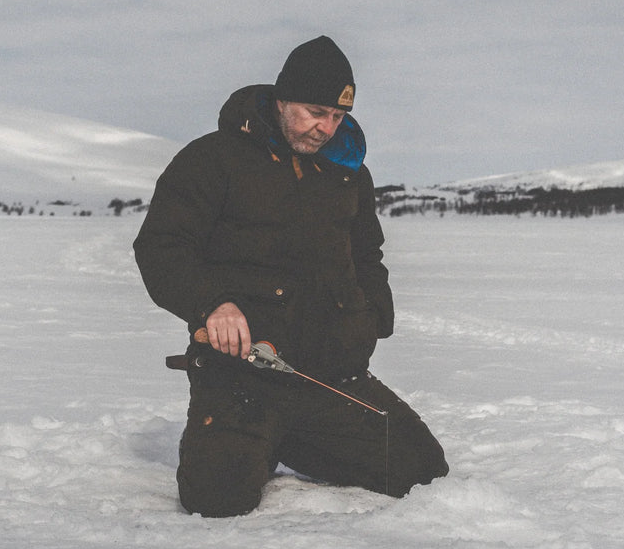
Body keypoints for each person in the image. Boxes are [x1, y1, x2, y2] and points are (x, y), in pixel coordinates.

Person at [133, 35, 448, 517]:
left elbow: (367, 255)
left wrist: (372, 319)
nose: (326, 128)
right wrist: (212, 302)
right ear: (281, 100)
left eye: (338, 117)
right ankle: (251, 439)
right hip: (243, 376)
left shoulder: (347, 174)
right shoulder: (214, 159)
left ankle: (291, 438)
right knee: (218, 498)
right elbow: (161, 246)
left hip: (330, 375)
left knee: (421, 470)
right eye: (315, 111)